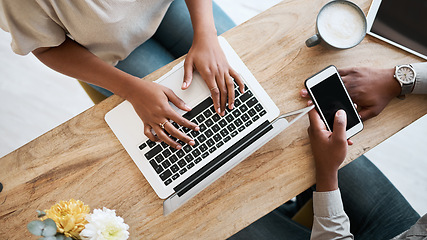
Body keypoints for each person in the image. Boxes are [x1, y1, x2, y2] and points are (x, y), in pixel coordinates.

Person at [0, 0, 243, 149]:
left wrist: (207, 35)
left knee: (247, 81)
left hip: (173, 4)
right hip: (113, 53)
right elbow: (46, 47)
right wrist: (131, 90)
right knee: (194, 137)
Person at [229, 63, 427, 239]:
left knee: (228, 219)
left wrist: (327, 172)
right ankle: (292, 211)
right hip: (405, 228)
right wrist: (402, 79)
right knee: (302, 143)